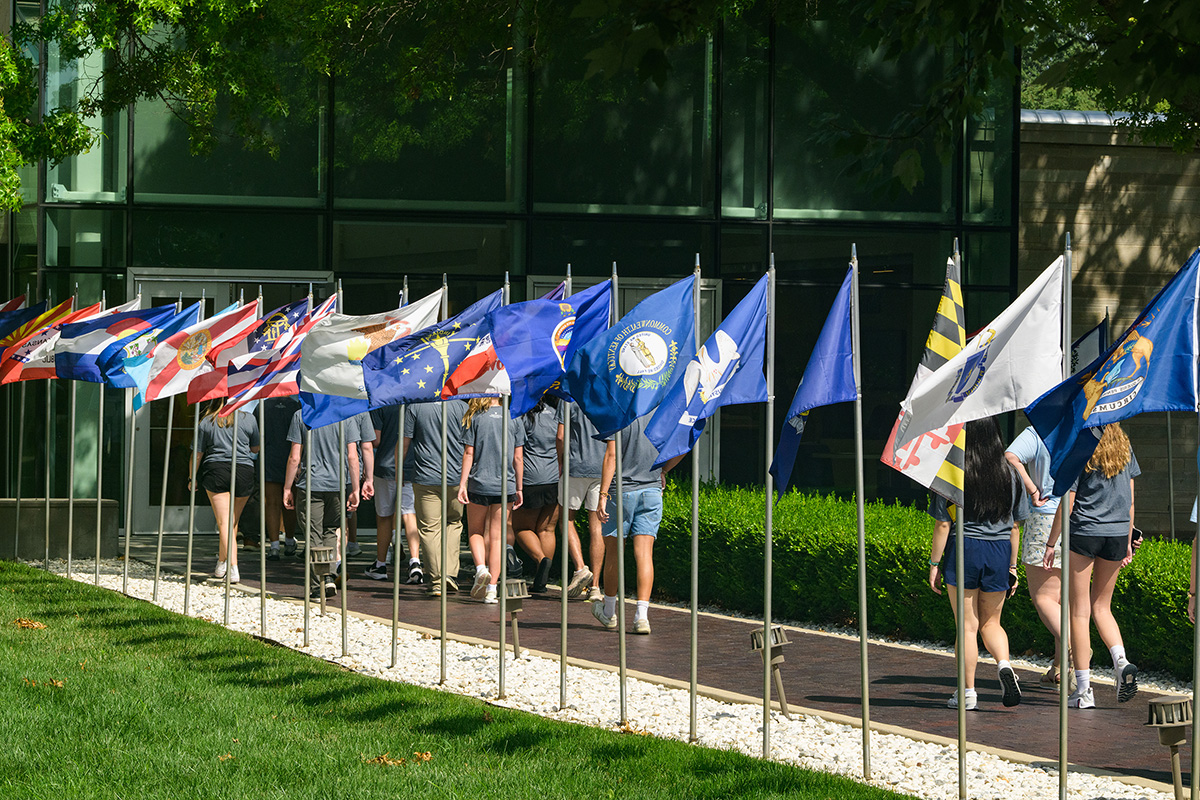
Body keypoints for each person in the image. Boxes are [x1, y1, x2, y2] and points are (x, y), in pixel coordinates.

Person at [927, 417, 1023, 710]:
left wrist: (934, 564)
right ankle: (1004, 665)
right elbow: (1015, 526)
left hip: (964, 548)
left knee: (967, 627)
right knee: (992, 622)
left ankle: (967, 693)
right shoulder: (1011, 473)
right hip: (998, 550)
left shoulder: (951, 470)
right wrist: (1012, 567)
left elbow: (943, 524)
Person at [1044, 422, 1140, 708]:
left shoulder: (1081, 445)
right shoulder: (1124, 446)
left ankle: (1084, 690)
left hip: (1085, 531)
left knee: (1080, 610)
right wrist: (1127, 538)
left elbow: (1068, 501)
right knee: (1102, 606)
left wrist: (1051, 543)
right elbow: (1131, 500)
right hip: (1117, 532)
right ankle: (1121, 661)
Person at [592, 415, 683, 635]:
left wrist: (603, 494)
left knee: (614, 554)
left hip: (620, 491)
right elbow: (682, 447)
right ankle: (642, 617)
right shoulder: (660, 414)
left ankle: (609, 612)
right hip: (651, 490)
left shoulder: (621, 412)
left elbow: (611, 455)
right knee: (644, 554)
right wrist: (663, 471)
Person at [1005, 426, 1072, 689]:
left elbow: (1010, 456)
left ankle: (1075, 647)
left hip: (1045, 516)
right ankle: (1058, 668)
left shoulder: (1039, 431)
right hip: (1076, 518)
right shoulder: (1081, 425)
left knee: (1043, 597)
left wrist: (1032, 488)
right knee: (1062, 602)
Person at [282, 412, 360, 599]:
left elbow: (295, 457)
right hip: (337, 485)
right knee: (330, 531)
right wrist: (355, 488)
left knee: (313, 535)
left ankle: (318, 584)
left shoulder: (302, 415)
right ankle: (330, 577)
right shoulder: (346, 415)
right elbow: (352, 456)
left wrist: (287, 487)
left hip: (311, 484)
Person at [457, 397, 525, 604]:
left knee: (475, 531)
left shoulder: (475, 417)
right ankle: (492, 590)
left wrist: (462, 483)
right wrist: (520, 487)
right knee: (498, 538)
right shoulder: (514, 417)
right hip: (505, 485)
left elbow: (469, 453)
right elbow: (518, 457)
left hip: (480, 482)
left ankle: (480, 569)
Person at [403, 398, 469, 596]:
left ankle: (437, 580)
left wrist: (399, 475)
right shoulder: (463, 407)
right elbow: (469, 446)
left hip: (425, 477)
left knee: (430, 529)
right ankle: (449, 574)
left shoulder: (415, 406)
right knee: (453, 523)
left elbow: (404, 444)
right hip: (456, 477)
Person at [193, 399, 260, 584]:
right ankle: (222, 563)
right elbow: (256, 448)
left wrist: (192, 477)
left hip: (216, 470)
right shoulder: (249, 419)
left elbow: (197, 453)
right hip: (244, 470)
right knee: (231, 522)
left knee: (224, 522)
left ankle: (233, 567)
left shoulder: (207, 421)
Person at [364, 404, 423, 583]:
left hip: (385, 466)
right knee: (409, 513)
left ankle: (381, 563)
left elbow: (376, 440)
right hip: (411, 465)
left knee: (384, 516)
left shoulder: (381, 403)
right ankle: (415, 562)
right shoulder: (417, 403)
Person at [512, 397, 561, 593]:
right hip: (555, 478)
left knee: (520, 527)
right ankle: (543, 580)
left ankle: (542, 560)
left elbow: (517, 451)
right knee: (547, 529)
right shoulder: (557, 413)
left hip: (531, 479)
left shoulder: (525, 415)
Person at [556, 399, 601, 601]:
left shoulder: (568, 395)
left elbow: (561, 436)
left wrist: (560, 463)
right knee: (597, 527)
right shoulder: (606, 393)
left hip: (575, 466)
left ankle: (581, 568)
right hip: (602, 468)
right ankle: (596, 587)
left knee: (566, 518)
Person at [261, 396, 301, 560]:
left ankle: (274, 546)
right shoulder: (297, 407)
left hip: (269, 456)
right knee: (290, 503)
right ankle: (290, 541)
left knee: (271, 503)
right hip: (292, 456)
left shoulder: (263, 406)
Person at [344, 411, 375, 557]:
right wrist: (369, 477)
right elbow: (367, 446)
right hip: (350, 470)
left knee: (339, 516)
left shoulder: (325, 404)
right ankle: (351, 544)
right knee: (350, 508)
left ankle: (339, 555)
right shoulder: (360, 410)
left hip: (321, 470)